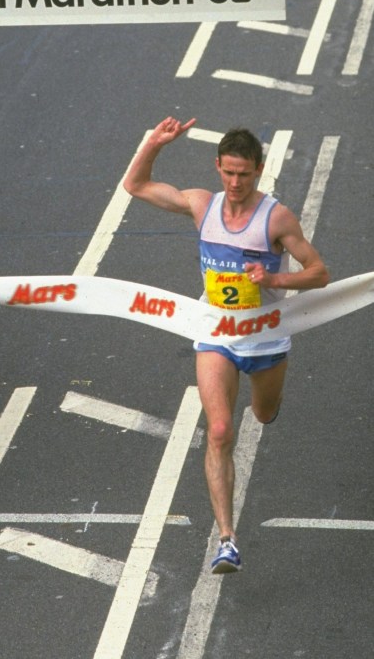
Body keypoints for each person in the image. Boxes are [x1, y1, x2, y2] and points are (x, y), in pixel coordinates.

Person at [123, 116, 329, 574]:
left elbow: (319, 272)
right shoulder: (202, 205)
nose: (235, 183)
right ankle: (227, 541)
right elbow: (135, 186)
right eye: (228, 172)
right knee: (219, 431)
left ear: (259, 169)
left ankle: (267, 406)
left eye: (244, 174)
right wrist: (154, 142)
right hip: (215, 332)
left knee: (262, 413)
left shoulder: (275, 217)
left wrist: (274, 277)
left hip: (266, 337)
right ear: (218, 167)